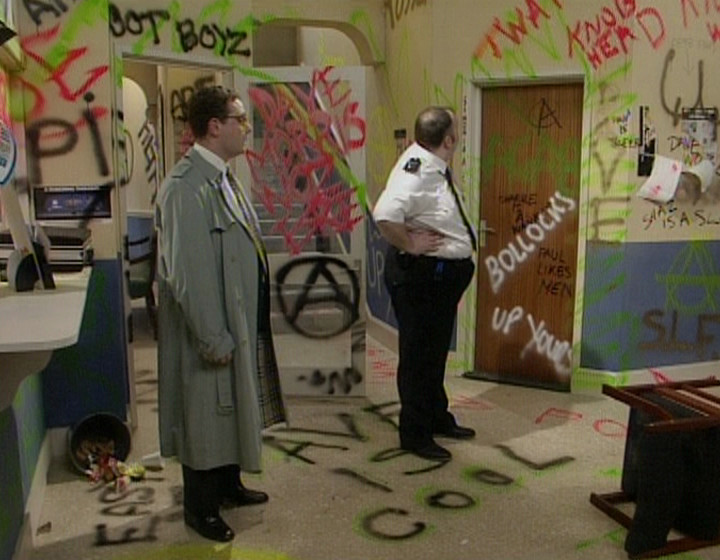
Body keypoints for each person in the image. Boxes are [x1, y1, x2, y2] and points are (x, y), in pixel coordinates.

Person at [156, 86, 285, 542]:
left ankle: (229, 485)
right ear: (215, 127)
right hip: (208, 333)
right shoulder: (184, 189)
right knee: (205, 414)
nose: (246, 128)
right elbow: (188, 274)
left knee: (230, 408)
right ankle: (201, 507)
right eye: (241, 120)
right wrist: (214, 336)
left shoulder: (225, 179)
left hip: (238, 323)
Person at [373, 106, 476, 461]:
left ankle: (436, 416)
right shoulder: (414, 171)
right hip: (421, 277)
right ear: (448, 139)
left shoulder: (434, 168)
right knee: (418, 358)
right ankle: (415, 434)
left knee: (433, 355)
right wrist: (410, 243)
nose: (459, 135)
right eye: (457, 131)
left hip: (440, 279)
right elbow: (384, 214)